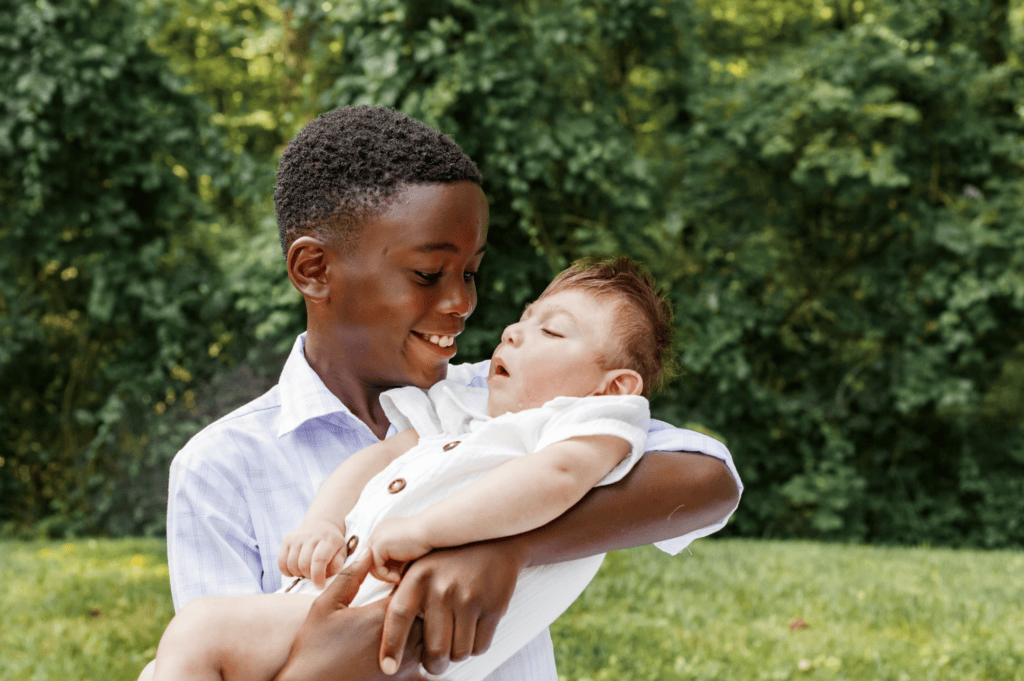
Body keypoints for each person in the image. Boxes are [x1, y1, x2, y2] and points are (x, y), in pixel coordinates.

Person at [158, 106, 742, 681]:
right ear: (314, 269)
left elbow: (707, 478)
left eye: (470, 273)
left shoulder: (508, 398)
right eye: (428, 274)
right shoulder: (219, 467)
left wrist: (508, 548)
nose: (462, 303)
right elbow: (225, 658)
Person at [145, 257, 687, 681]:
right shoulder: (464, 408)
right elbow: (377, 457)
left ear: (615, 388)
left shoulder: (589, 426)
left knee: (199, 633)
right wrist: (322, 524)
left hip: (390, 616)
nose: (513, 333)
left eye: (552, 332)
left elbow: (556, 479)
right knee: (171, 662)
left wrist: (429, 531)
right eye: (522, 320)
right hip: (328, 608)